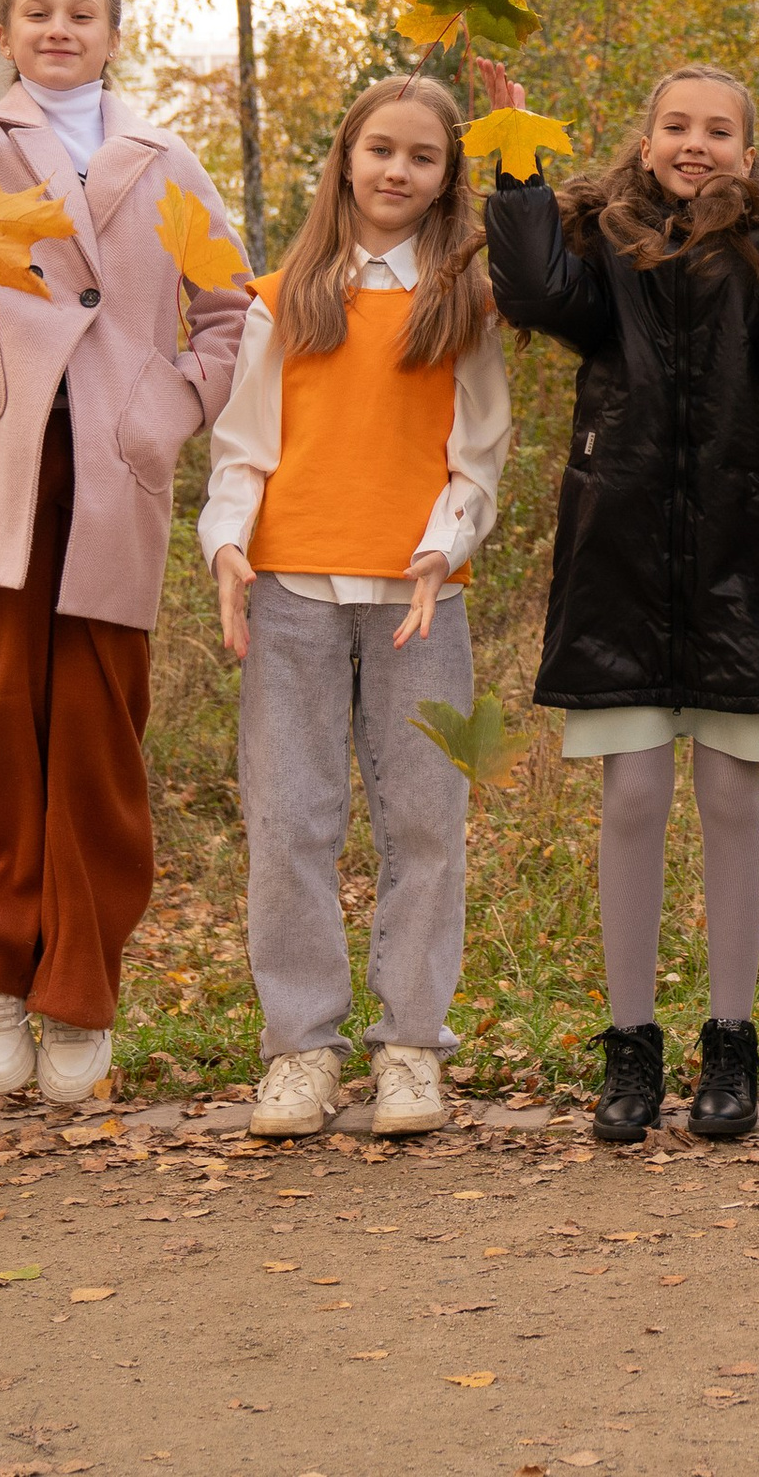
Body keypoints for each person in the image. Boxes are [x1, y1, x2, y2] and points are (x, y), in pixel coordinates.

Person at [481, 56, 759, 1144]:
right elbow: (531, 295)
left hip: (743, 570)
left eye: (717, 129)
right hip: (620, 567)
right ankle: (629, 1048)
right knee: (632, 800)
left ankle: (731, 1043)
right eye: (674, 125)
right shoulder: (601, 250)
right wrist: (517, 169)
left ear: (748, 155)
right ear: (645, 140)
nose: (694, 142)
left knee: (735, 801)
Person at [202, 77, 509, 1141]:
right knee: (291, 819)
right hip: (289, 591)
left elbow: (479, 453)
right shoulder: (282, 294)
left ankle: (413, 1047)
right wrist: (228, 543)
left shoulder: (463, 303)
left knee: (426, 821)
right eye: (379, 148)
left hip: (420, 599)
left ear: (444, 179)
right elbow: (243, 447)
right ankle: (299, 1050)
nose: (395, 170)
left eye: (420, 157)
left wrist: (442, 544)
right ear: (345, 158)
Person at [0, 0, 250, 1106]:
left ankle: (78, 992)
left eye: (81, 12)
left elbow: (228, 311)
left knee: (99, 734)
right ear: (9, 30)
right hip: (5, 465)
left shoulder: (164, 163)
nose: (59, 28)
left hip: (111, 470)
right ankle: (6, 982)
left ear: (112, 31)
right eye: (38, 11)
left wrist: (166, 413)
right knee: (4, 724)